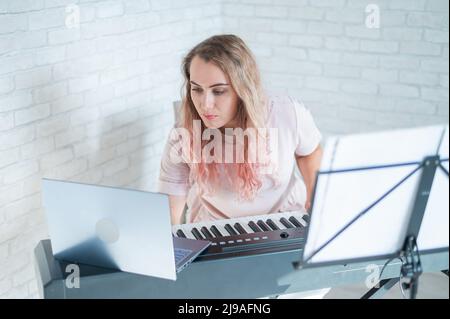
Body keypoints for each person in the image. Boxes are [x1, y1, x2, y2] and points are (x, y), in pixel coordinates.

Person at [158, 34, 323, 227]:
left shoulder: (287, 113)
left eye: (218, 91)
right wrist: (168, 242)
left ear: (244, 89)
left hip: (285, 220)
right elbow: (171, 196)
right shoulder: (184, 131)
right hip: (213, 227)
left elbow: (309, 152)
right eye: (197, 89)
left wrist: (315, 195)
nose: (205, 104)